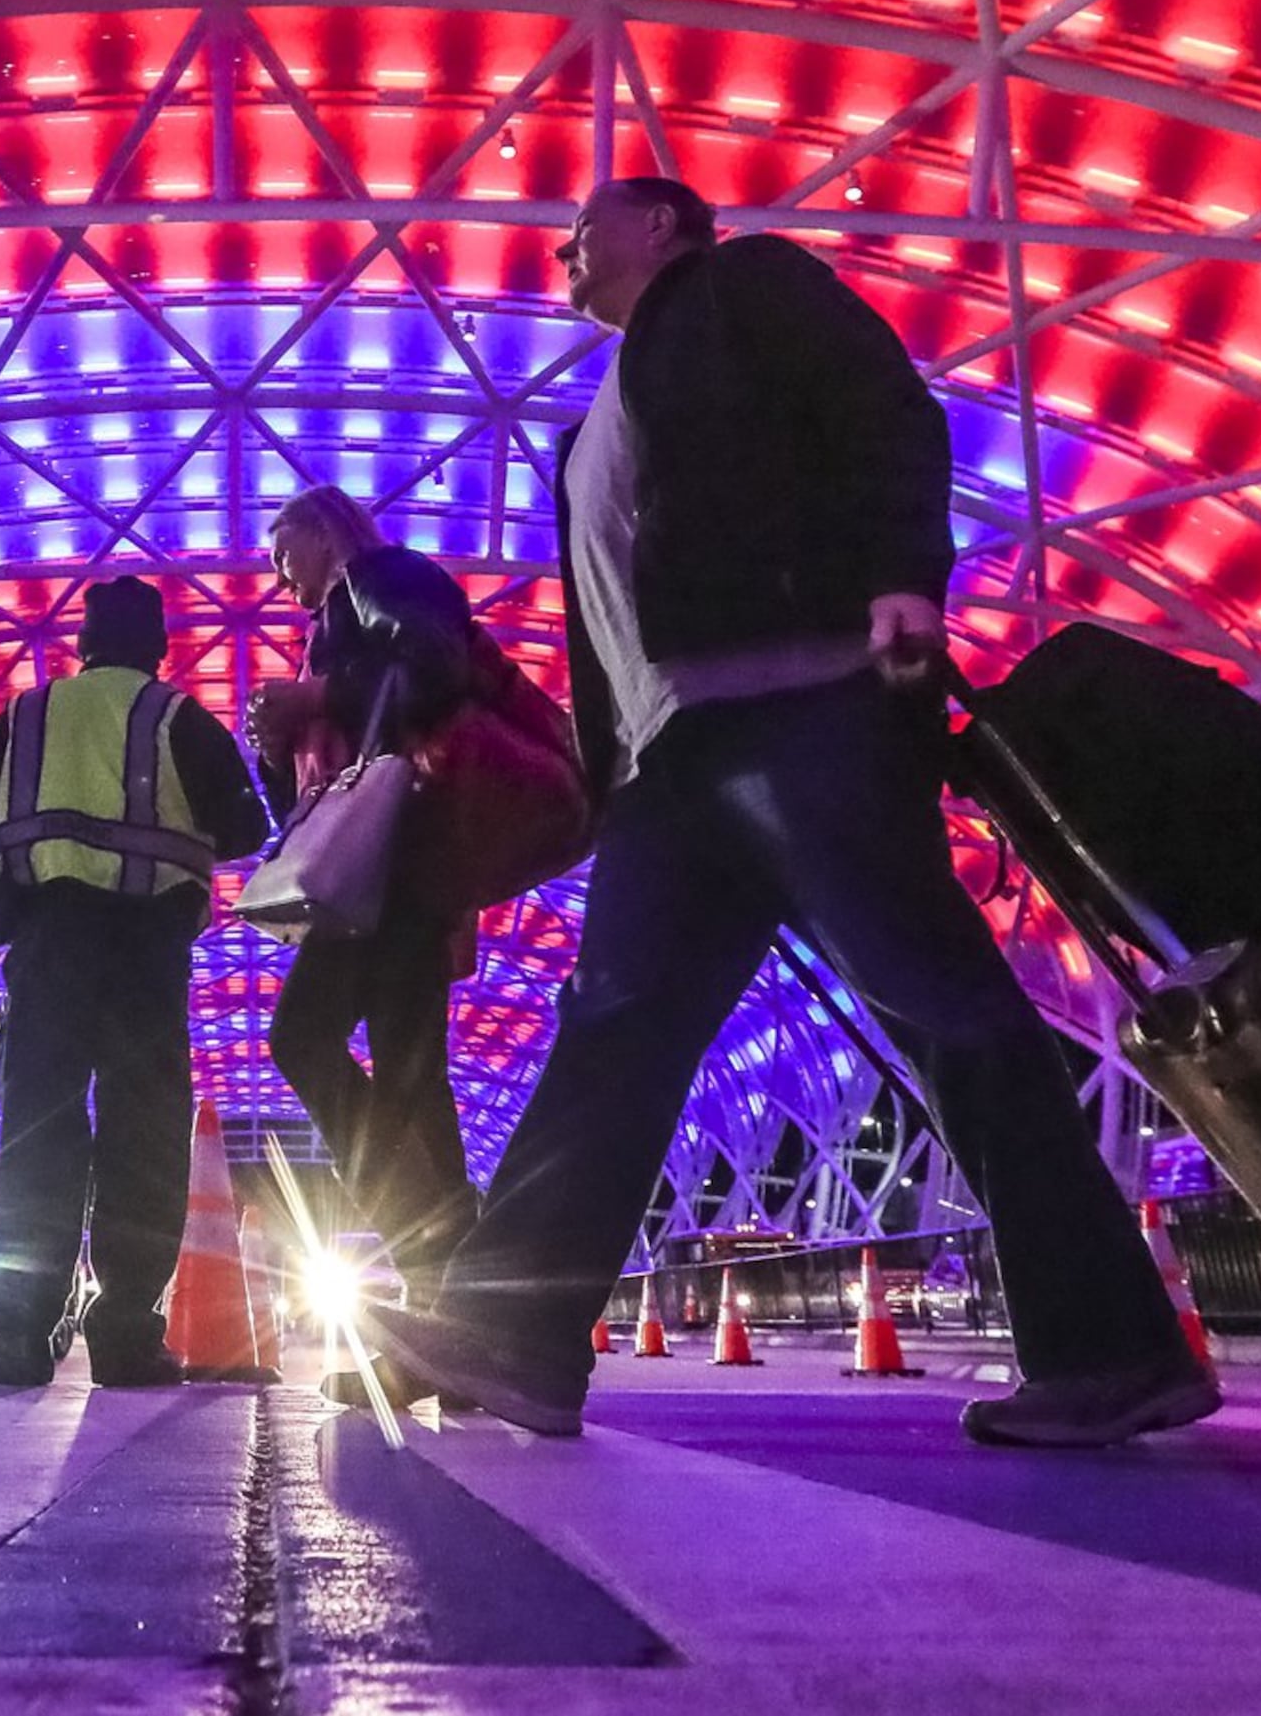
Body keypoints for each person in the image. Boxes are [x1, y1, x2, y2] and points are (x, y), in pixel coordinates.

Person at [353, 178, 1211, 1447]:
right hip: (672, 764)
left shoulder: (750, 288)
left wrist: (905, 582)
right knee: (611, 1038)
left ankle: (1113, 1348)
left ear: (665, 225)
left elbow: (885, 417)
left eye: (590, 225)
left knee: (943, 1005)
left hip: (802, 700)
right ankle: (507, 1336)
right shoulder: (593, 414)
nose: (563, 249)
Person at [0, 578, 269, 1388]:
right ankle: (126, 1336)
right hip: (146, 951)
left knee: (39, 1134)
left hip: (46, 943)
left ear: (81, 643)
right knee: (142, 1137)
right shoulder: (176, 716)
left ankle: (18, 1336)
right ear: (158, 646)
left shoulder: (28, 714)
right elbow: (248, 826)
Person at [247, 486, 484, 1298]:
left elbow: (435, 669)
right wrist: (278, 750)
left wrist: (317, 696)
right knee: (409, 1069)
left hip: (401, 856)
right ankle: (450, 1280)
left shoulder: (381, 577)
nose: (284, 583)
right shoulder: (328, 634)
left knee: (314, 1040)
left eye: (285, 557)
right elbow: (313, 801)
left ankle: (439, 1238)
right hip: (381, 864)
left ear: (322, 531)